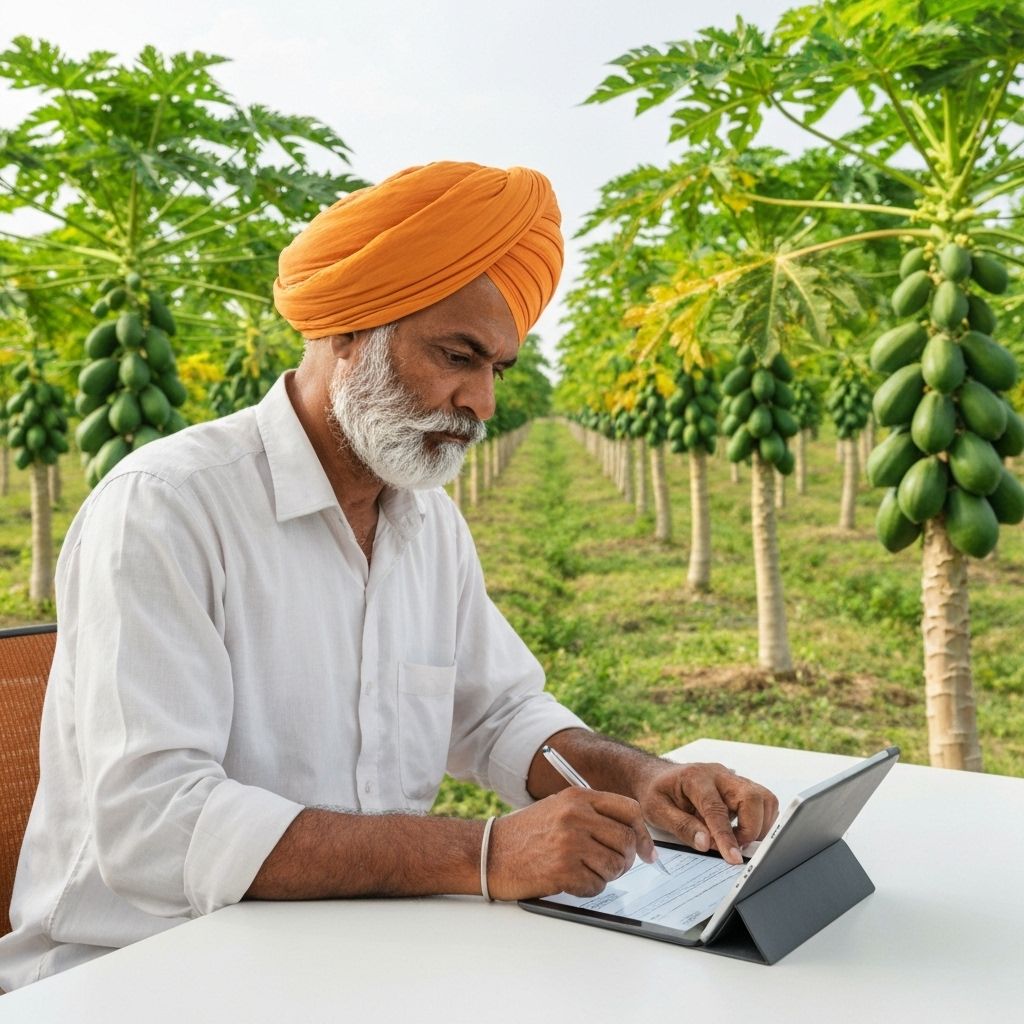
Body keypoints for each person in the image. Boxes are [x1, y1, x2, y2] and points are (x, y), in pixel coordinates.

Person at [0, 162, 777, 991]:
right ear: (350, 330)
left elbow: (498, 713)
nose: (480, 402)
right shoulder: (164, 510)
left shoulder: (426, 519)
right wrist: (482, 852)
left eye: (496, 371)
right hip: (138, 974)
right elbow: (154, 824)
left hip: (357, 956)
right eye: (457, 356)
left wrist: (644, 776)